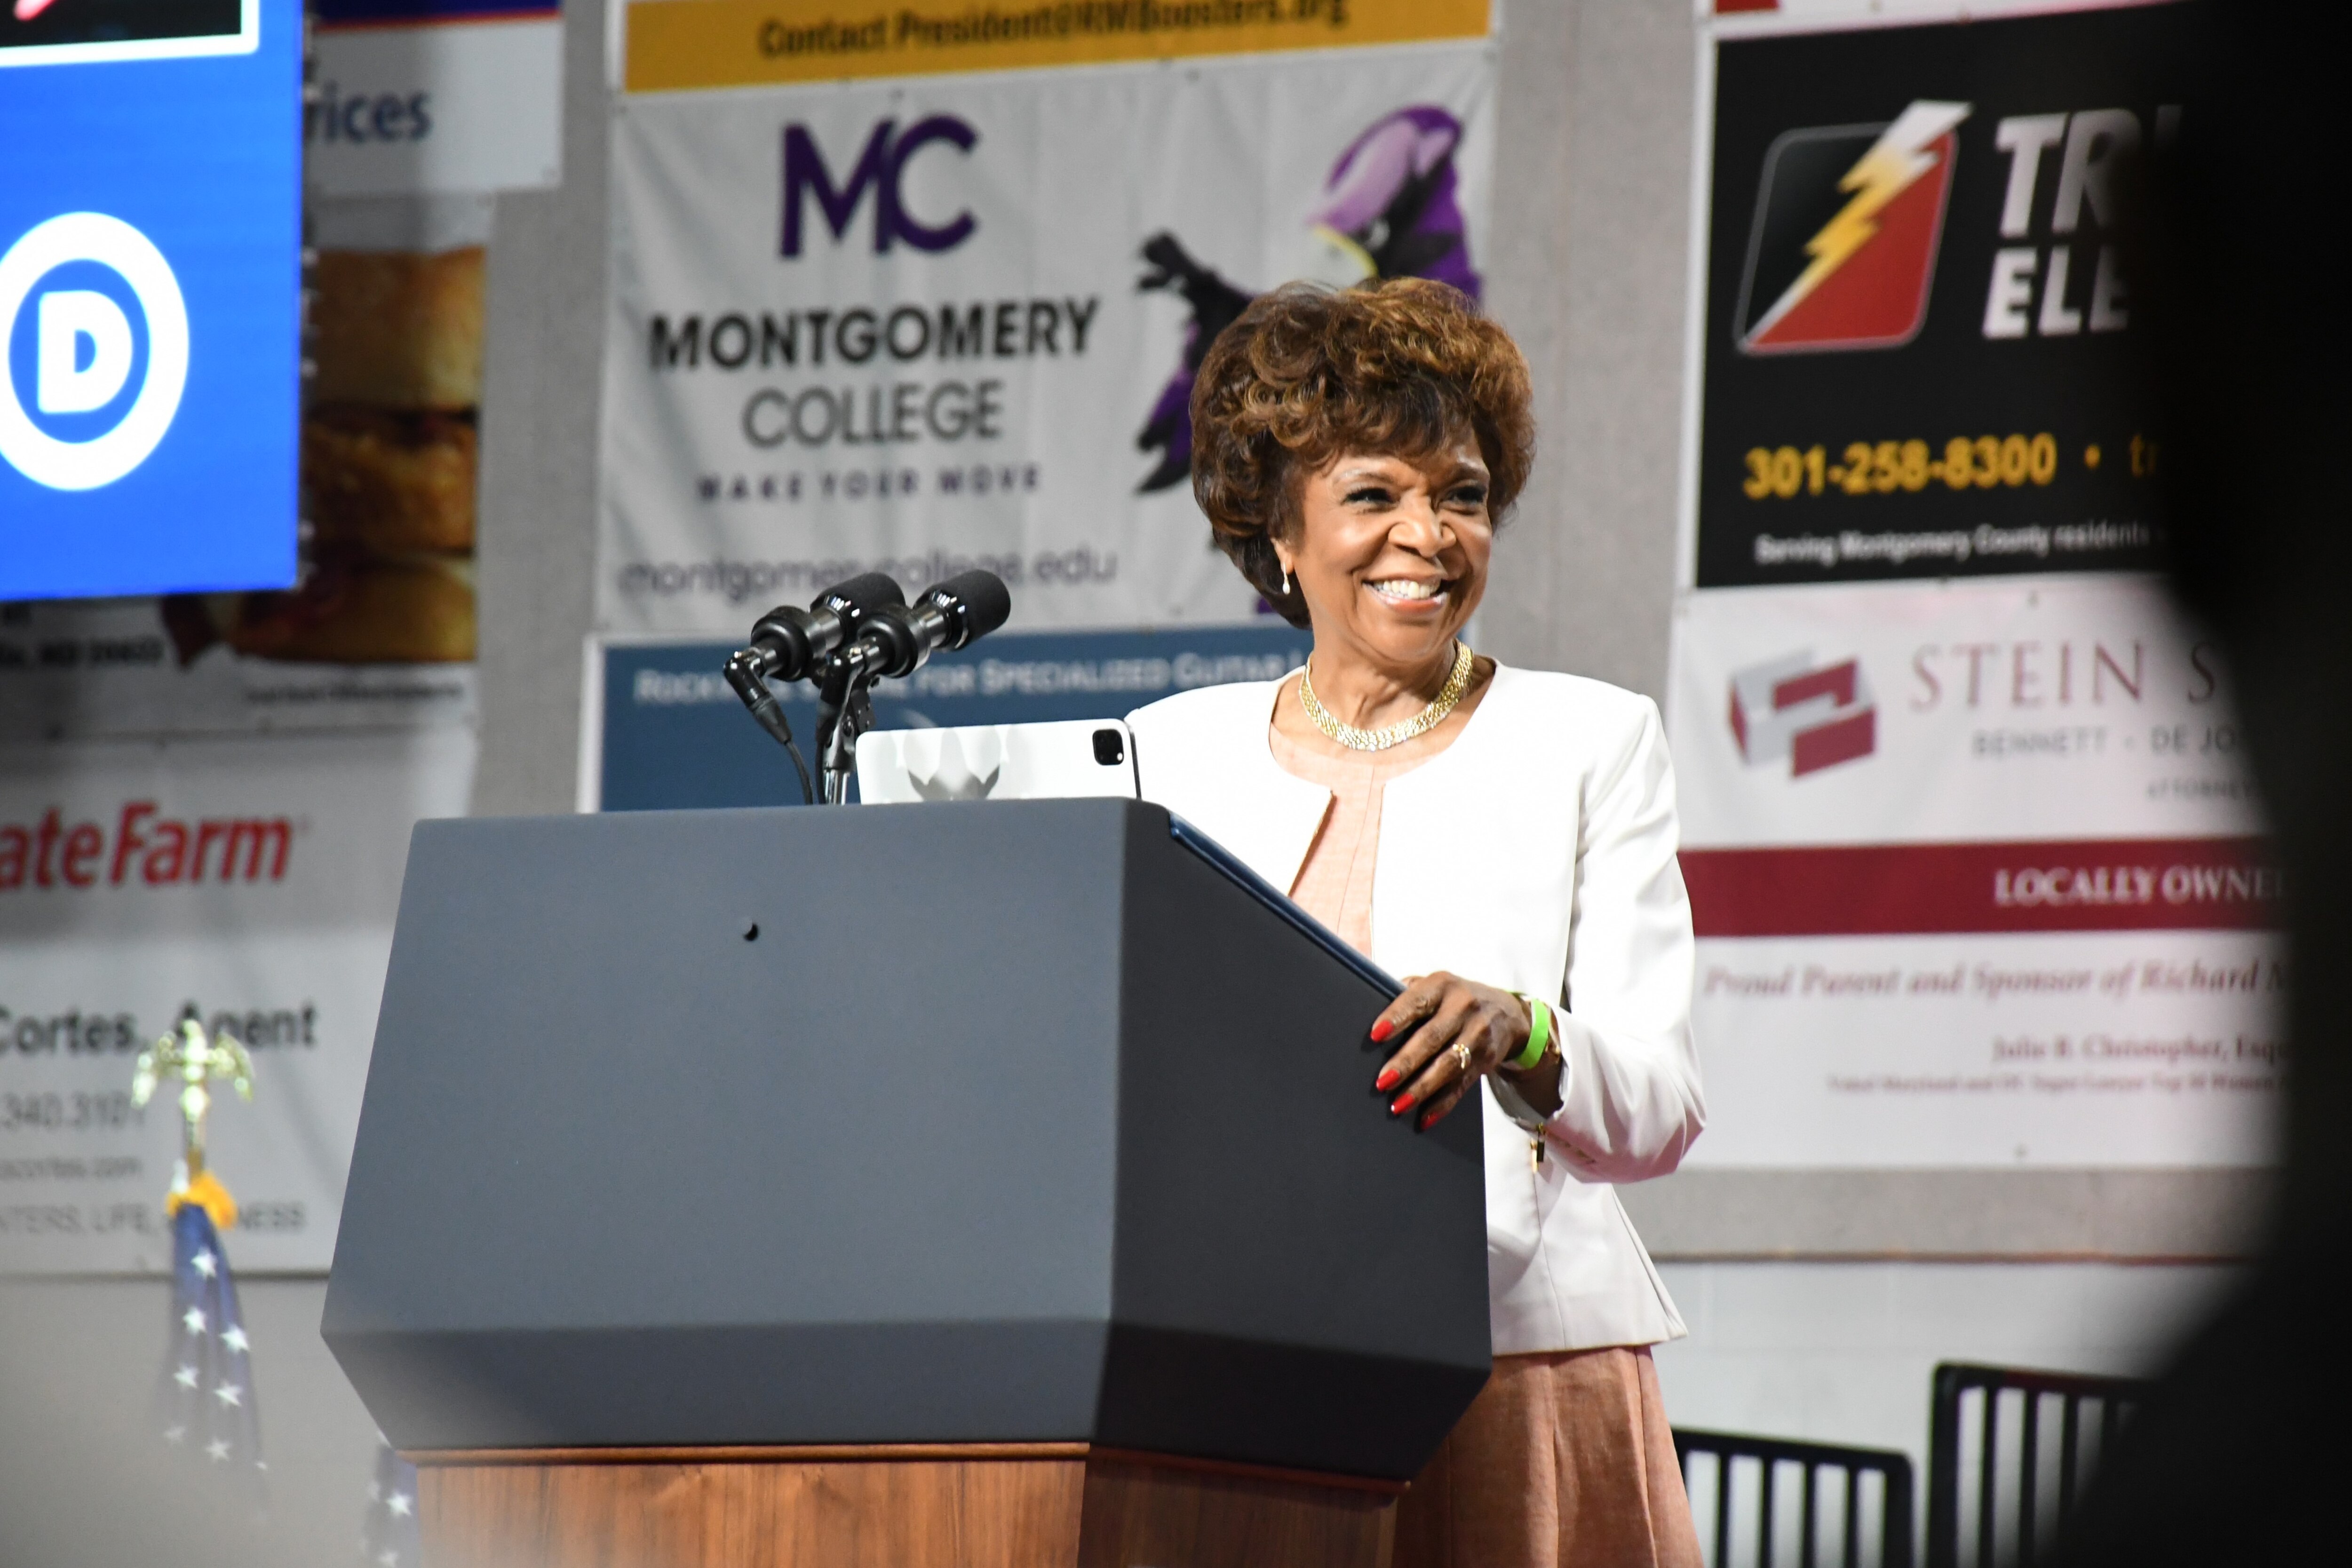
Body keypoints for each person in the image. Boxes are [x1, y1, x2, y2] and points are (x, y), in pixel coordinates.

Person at [1126, 278, 1707, 1568]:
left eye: (1462, 495)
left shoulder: (1592, 740)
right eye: (1375, 495)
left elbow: (1660, 1103)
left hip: (1517, 1366)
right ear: (1279, 532)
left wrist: (1527, 1031)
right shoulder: (1168, 755)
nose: (1429, 536)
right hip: (1242, 1358)